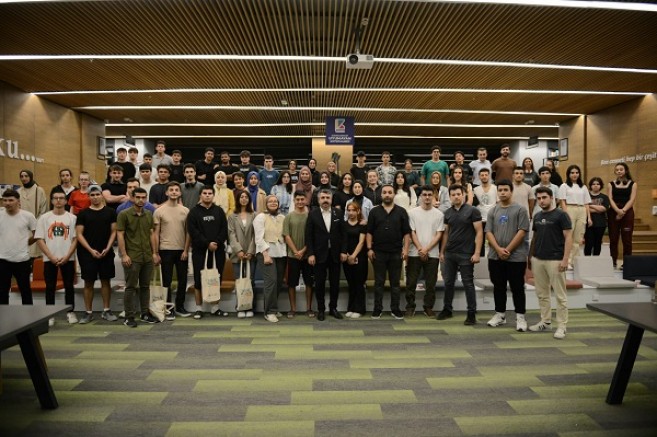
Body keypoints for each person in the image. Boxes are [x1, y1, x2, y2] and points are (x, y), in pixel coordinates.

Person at [484, 179, 530, 332]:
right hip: (495, 256)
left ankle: (520, 317)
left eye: (505, 190)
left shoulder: (520, 210)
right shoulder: (493, 211)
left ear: (511, 191)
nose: (502, 193)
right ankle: (500, 315)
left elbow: (522, 231)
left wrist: (507, 250)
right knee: (499, 287)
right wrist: (498, 249)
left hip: (516, 257)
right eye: (500, 190)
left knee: (517, 287)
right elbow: (488, 232)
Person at [529, 186, 573, 339]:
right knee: (542, 294)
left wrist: (566, 259)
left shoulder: (562, 215)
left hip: (556, 260)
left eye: (544, 198)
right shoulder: (537, 216)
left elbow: (568, 237)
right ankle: (545, 321)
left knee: (560, 296)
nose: (541, 201)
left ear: (551, 198)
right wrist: (530, 256)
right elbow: (535, 237)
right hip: (538, 259)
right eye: (539, 198)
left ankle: (562, 326)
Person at [437, 184, 483, 325]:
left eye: (458, 194)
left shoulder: (473, 211)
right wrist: (442, 252)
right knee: (448, 282)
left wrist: (477, 253)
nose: (456, 197)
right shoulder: (447, 213)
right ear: (450, 197)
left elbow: (479, 232)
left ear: (463, 195)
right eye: (453, 195)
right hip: (450, 253)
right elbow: (446, 234)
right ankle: (447, 309)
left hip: (466, 254)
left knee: (468, 283)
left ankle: (471, 313)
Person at [75, 184, 118, 324]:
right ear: (88, 196)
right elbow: (79, 234)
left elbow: (114, 232)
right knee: (88, 283)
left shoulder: (111, 212)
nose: (95, 197)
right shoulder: (83, 213)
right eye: (92, 195)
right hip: (87, 254)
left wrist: (108, 248)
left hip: (106, 253)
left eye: (97, 194)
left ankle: (106, 310)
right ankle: (88, 313)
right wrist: (90, 250)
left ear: (101, 195)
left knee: (106, 281)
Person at [367, 185, 411, 320]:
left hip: (396, 253)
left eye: (390, 192)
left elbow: (407, 233)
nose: (387, 195)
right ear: (381, 195)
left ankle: (395, 309)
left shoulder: (402, 212)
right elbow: (369, 232)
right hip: (378, 253)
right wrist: (369, 249)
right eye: (384, 192)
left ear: (393, 195)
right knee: (379, 283)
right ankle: (377, 309)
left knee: (395, 283)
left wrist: (406, 250)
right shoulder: (374, 212)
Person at [116, 187, 158, 327]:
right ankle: (129, 317)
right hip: (132, 256)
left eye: (143, 197)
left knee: (145, 286)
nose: (141, 200)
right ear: (132, 198)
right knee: (131, 287)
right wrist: (124, 255)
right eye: (138, 197)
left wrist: (154, 253)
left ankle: (145, 313)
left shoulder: (149, 214)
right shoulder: (124, 214)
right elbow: (120, 235)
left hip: (147, 256)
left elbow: (151, 234)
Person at [35, 190, 78, 325]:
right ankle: (50, 314)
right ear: (52, 200)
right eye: (55, 198)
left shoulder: (72, 218)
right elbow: (39, 239)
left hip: (68, 258)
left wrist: (67, 256)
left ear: (65, 201)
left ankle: (70, 312)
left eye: (61, 198)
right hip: (50, 258)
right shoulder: (44, 218)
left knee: (69, 286)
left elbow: (75, 239)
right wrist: (51, 256)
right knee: (50, 286)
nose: (58, 200)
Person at [188, 186, 230, 318]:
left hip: (217, 250)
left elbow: (224, 229)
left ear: (213, 195)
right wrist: (207, 244)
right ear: (200, 195)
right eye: (205, 193)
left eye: (210, 193)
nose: (207, 195)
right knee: (198, 279)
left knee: (216, 278)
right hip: (200, 251)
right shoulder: (193, 212)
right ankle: (198, 308)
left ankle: (215, 308)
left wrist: (216, 242)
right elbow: (193, 231)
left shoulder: (219, 211)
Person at [405, 185, 444, 318]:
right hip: (414, 253)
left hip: (432, 254)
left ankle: (428, 307)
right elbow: (412, 232)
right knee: (411, 282)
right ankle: (410, 307)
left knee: (431, 283)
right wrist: (421, 249)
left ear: (433, 196)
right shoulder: (412, 213)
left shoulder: (439, 214)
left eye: (429, 195)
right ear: (420, 196)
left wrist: (426, 249)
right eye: (424, 195)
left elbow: (439, 234)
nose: (427, 197)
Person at [153, 182, 191, 318]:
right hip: (165, 250)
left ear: (180, 193)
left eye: (176, 190)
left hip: (181, 250)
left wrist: (186, 250)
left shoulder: (185, 211)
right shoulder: (159, 211)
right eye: (171, 190)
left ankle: (180, 306)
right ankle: (168, 307)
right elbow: (155, 233)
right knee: (167, 281)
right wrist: (155, 252)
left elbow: (188, 232)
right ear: (166, 193)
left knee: (183, 280)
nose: (174, 192)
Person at [306, 189, 344, 321]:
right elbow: (309, 236)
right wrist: (311, 254)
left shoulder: (338, 213)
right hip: (318, 255)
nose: (325, 200)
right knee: (320, 284)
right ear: (318, 200)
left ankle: (333, 308)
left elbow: (343, 234)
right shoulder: (313, 214)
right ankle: (321, 309)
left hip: (335, 255)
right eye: (323, 198)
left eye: (328, 198)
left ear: (331, 200)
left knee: (335, 284)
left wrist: (343, 251)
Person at [253, 195, 287, 322]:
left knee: (278, 282)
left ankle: (274, 307)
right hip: (266, 253)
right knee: (271, 282)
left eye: (275, 201)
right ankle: (269, 312)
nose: (273, 203)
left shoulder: (282, 217)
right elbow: (258, 238)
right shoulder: (260, 217)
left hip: (281, 253)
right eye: (270, 201)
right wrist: (265, 254)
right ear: (266, 204)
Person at [0, 189, 36, 306]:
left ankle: (29, 316)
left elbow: (37, 234)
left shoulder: (28, 216)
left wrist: (26, 243)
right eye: (5, 200)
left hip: (22, 260)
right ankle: (3, 315)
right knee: (2, 292)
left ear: (18, 201)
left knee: (25, 291)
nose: (7, 203)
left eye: (11, 200)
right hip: (2, 260)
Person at [283, 191, 315, 318]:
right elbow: (286, 236)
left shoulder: (310, 216)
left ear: (306, 200)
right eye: (298, 199)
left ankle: (309, 308)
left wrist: (303, 251)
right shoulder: (288, 217)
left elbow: (312, 236)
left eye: (302, 199)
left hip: (307, 255)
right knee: (291, 283)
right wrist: (296, 251)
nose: (300, 202)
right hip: (292, 256)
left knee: (309, 283)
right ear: (294, 201)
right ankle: (293, 309)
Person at [227, 189, 256, 318]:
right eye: (241, 197)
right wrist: (238, 250)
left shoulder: (254, 215)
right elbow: (231, 234)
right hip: (236, 254)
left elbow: (256, 235)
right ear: (238, 200)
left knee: (250, 281)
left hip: (251, 254)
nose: (244, 199)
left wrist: (250, 251)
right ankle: (240, 307)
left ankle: (250, 306)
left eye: (246, 197)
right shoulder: (232, 216)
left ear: (249, 200)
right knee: (239, 281)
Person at [559, 164, 592, 267]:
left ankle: (575, 261)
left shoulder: (583, 187)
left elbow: (586, 203)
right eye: (572, 173)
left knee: (578, 237)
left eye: (577, 172)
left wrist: (589, 217)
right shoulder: (564, 186)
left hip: (582, 210)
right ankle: (567, 261)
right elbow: (562, 201)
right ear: (568, 174)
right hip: (570, 208)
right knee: (569, 236)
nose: (575, 174)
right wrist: (566, 214)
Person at [340, 201, 367, 319]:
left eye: (353, 210)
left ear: (358, 211)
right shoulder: (343, 225)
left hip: (359, 257)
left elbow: (361, 242)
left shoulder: (362, 225)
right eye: (349, 210)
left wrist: (353, 256)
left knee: (359, 283)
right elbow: (342, 240)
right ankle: (351, 308)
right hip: (347, 257)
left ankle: (359, 309)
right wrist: (346, 254)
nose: (351, 212)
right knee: (351, 284)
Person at [608, 162, 637, 269]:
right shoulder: (611, 184)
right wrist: (617, 210)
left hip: (627, 212)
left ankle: (627, 263)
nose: (619, 171)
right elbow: (610, 199)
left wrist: (622, 211)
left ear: (626, 170)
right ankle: (613, 261)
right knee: (613, 239)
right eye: (617, 170)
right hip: (613, 212)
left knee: (627, 239)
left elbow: (632, 199)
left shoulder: (633, 184)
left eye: (621, 169)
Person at [18, 169, 48, 259]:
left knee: (35, 254)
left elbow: (44, 209)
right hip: (22, 225)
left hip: (36, 226)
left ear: (30, 177)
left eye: (26, 176)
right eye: (22, 176)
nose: (24, 178)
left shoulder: (39, 190)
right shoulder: (19, 191)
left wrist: (36, 223)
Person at [585, 177, 610, 256]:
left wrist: (590, 206)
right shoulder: (586, 196)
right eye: (593, 184)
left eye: (598, 184)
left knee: (597, 243)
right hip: (588, 223)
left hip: (600, 223)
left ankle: (596, 259)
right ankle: (587, 260)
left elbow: (604, 209)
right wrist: (598, 209)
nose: (595, 186)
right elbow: (584, 209)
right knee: (589, 243)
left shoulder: (604, 197)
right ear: (590, 185)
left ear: (601, 185)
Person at [473, 168, 498, 235]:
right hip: (480, 220)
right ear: (479, 177)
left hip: (493, 220)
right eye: (482, 175)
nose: (484, 177)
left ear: (489, 176)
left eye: (486, 175)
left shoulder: (495, 188)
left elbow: (498, 203)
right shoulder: (475, 190)